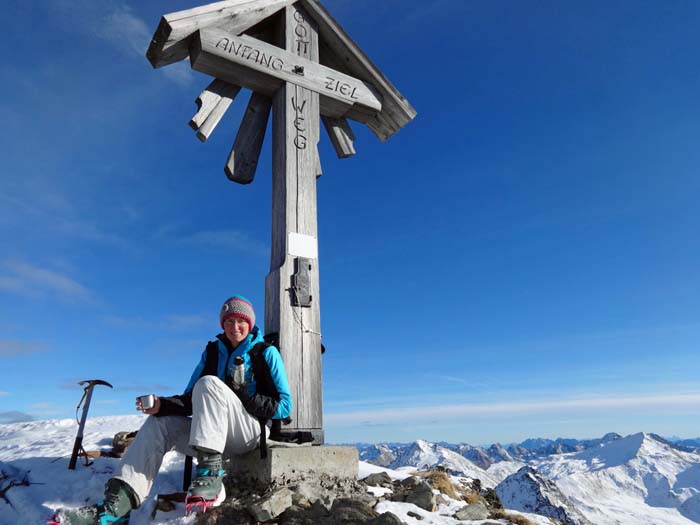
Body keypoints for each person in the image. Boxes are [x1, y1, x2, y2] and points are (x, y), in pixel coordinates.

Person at [49, 295, 292, 525]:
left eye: (241, 321)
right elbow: (190, 400)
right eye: (229, 321)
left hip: (250, 432)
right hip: (212, 436)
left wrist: (243, 394)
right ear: (222, 324)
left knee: (208, 383)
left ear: (250, 324)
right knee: (160, 423)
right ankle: (115, 510)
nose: (235, 326)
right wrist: (161, 405)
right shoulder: (211, 352)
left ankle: (211, 477)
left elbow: (284, 407)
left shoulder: (265, 353)